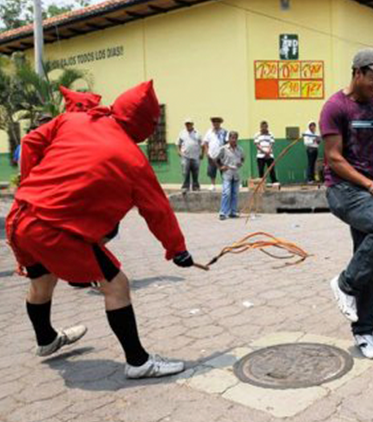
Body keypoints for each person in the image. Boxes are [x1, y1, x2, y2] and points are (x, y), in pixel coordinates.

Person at [6, 81, 194, 379]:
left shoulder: (74, 119)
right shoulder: (133, 159)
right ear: (144, 124)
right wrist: (177, 249)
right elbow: (158, 210)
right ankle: (138, 362)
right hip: (53, 230)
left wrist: (32, 187)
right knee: (117, 285)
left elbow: (29, 143)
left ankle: (45, 340)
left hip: (19, 219)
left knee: (42, 282)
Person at [321, 48, 373, 360]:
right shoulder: (335, 107)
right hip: (343, 190)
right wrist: (370, 184)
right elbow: (333, 157)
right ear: (357, 72)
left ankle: (364, 331)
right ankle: (343, 283)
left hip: (369, 192)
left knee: (370, 262)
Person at [217, 131, 244, 220]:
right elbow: (216, 159)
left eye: (235, 138)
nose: (233, 140)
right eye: (232, 138)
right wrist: (221, 167)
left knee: (235, 193)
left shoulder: (240, 149)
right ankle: (223, 212)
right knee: (226, 192)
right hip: (227, 173)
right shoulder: (224, 149)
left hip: (236, 173)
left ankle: (232, 212)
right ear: (228, 138)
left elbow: (243, 158)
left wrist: (241, 164)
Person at [202, 117, 228, 191]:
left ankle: (225, 185)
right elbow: (205, 143)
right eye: (214, 122)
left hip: (222, 155)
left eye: (217, 122)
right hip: (212, 155)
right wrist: (206, 152)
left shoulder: (224, 132)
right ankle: (213, 185)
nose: (215, 123)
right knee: (211, 171)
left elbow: (227, 143)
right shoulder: (209, 132)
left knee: (223, 170)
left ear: (220, 123)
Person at [177, 118, 202, 193]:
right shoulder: (182, 133)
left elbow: (202, 144)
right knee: (185, 172)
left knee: (195, 172)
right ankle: (185, 187)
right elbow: (178, 143)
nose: (188, 125)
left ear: (192, 124)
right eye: (186, 124)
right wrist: (179, 152)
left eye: (189, 124)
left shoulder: (197, 133)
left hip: (195, 156)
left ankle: (195, 186)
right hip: (185, 156)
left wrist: (202, 153)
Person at [254, 121, 279, 185]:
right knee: (261, 170)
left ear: (267, 127)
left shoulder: (271, 134)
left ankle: (274, 182)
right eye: (263, 127)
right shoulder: (257, 135)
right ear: (261, 127)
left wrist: (268, 151)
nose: (264, 128)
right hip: (260, 155)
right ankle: (262, 184)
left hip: (269, 155)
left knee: (271, 169)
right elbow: (257, 145)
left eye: (265, 127)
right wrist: (264, 151)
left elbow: (271, 144)